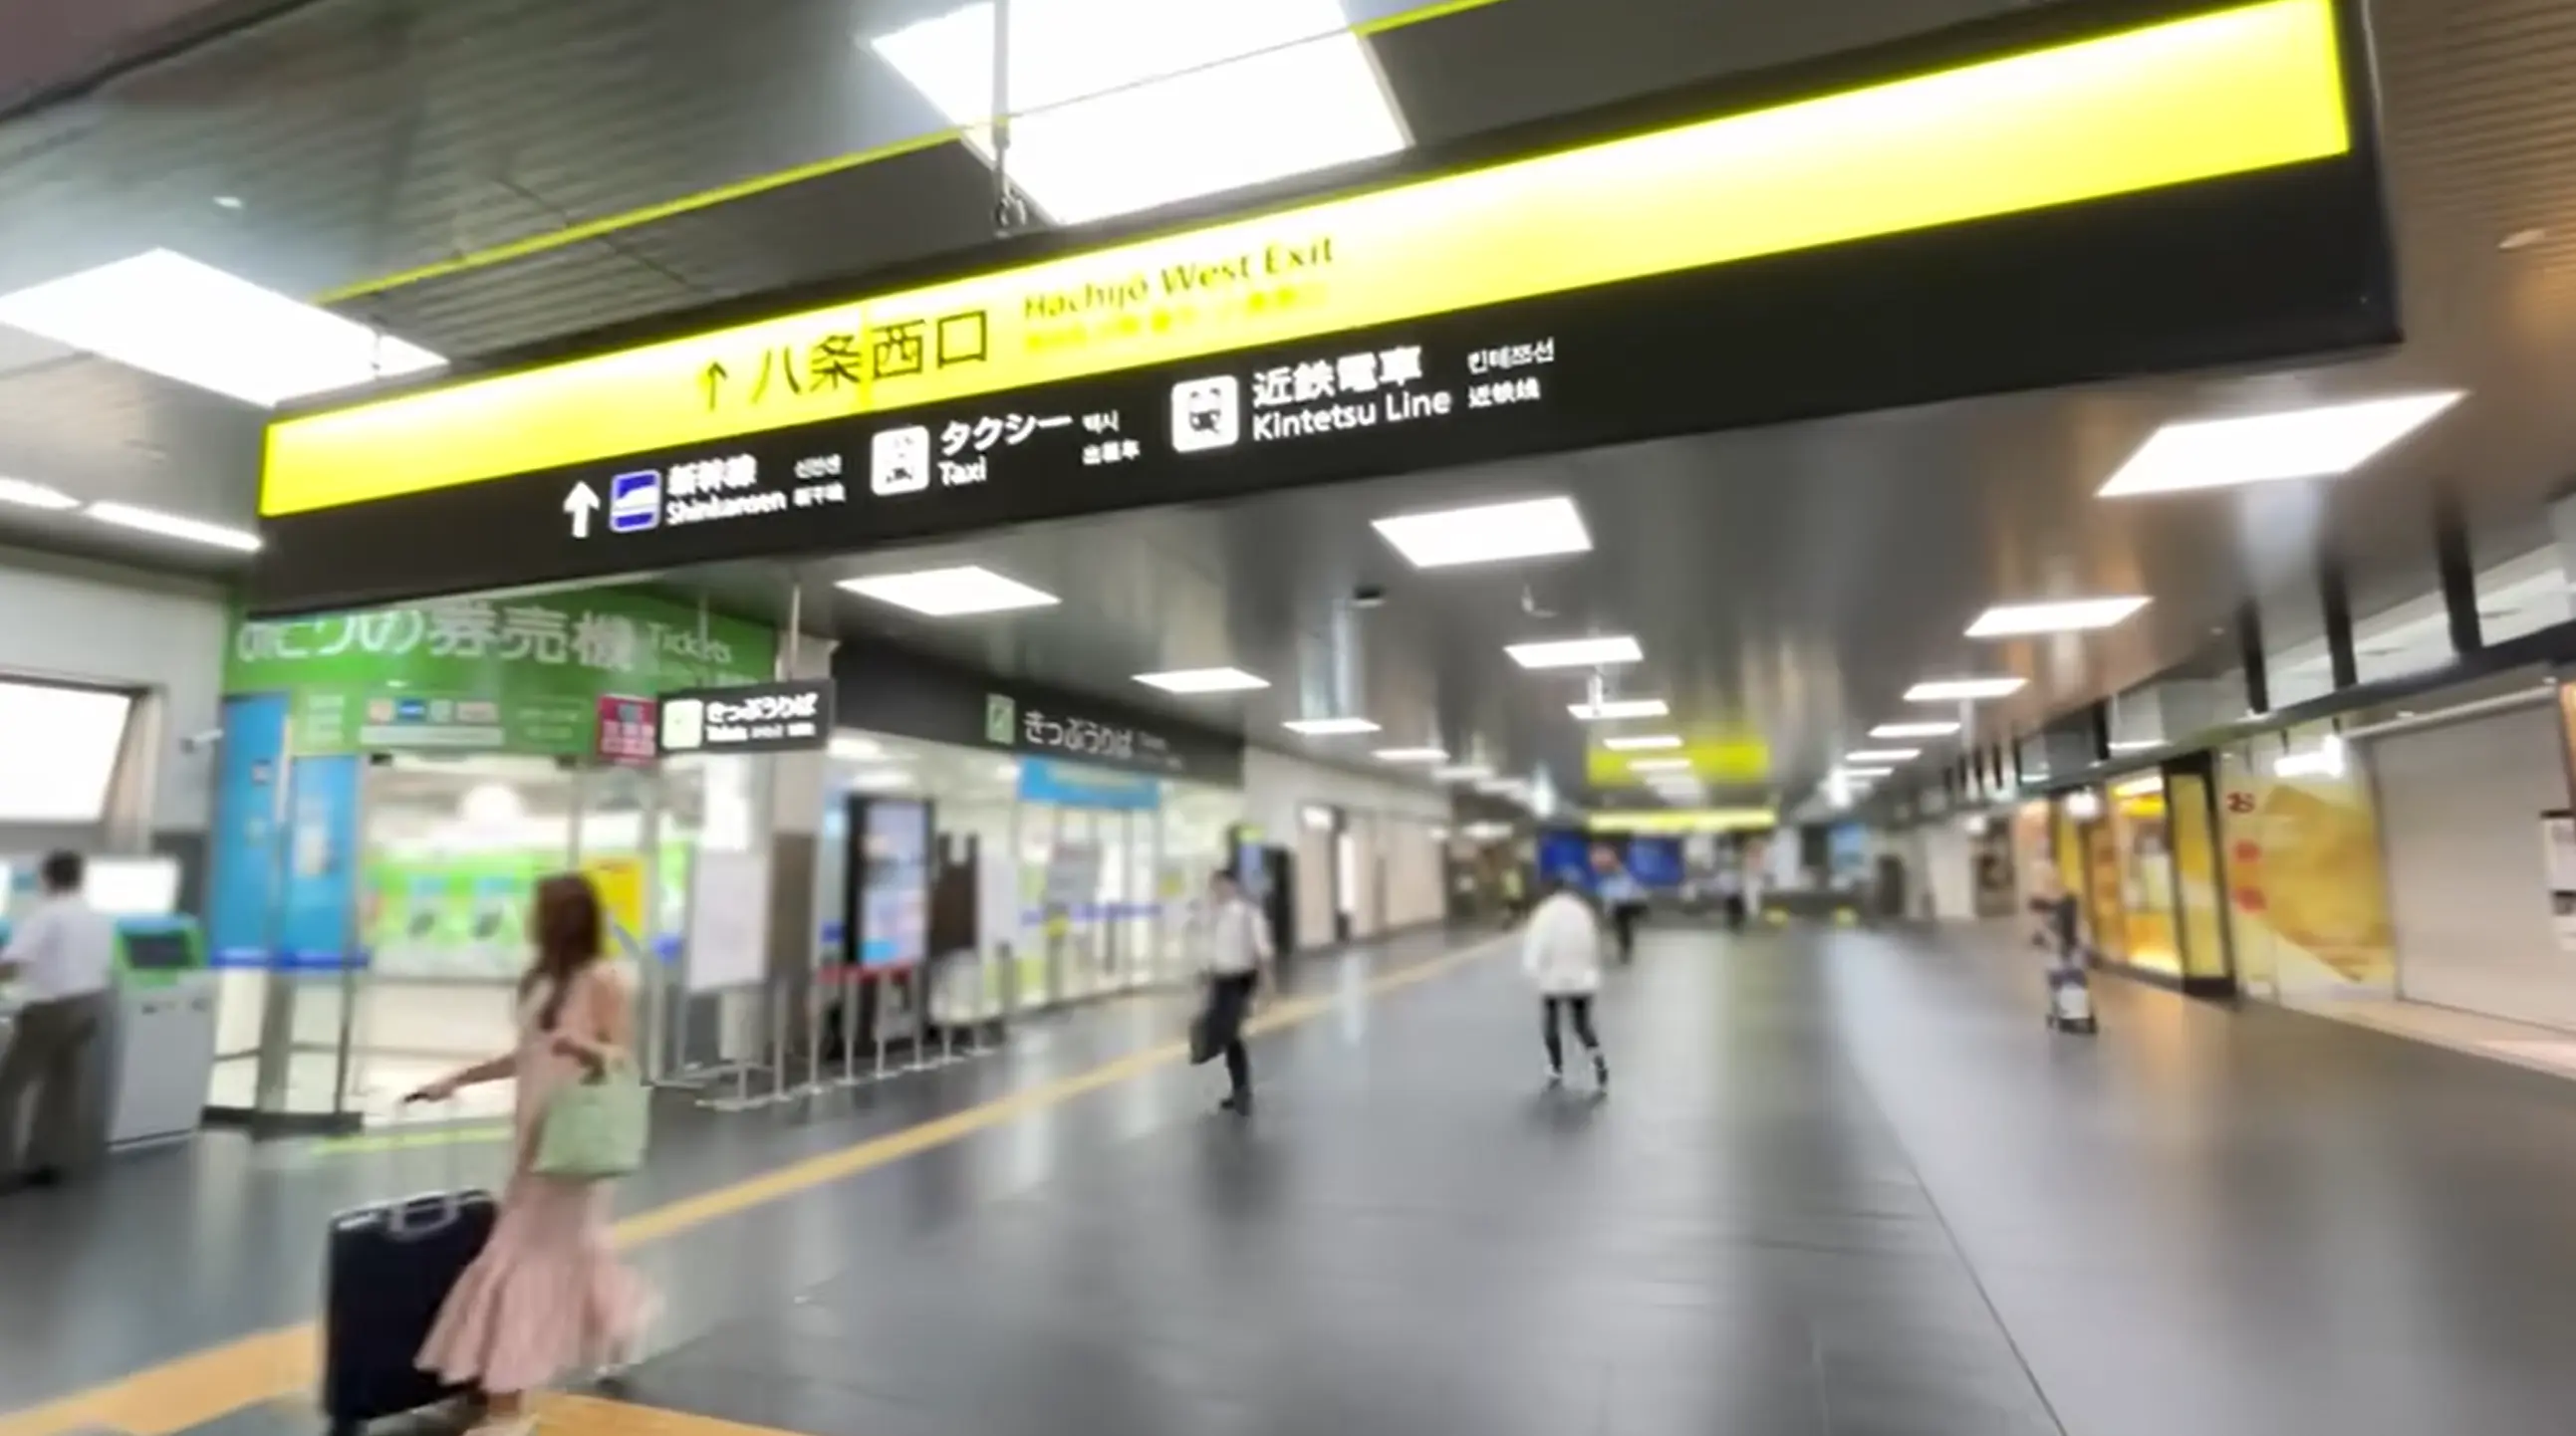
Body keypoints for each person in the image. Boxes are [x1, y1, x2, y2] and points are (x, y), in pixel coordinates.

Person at [409, 874, 650, 1436]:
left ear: (562, 919)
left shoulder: (603, 979)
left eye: (538, 909)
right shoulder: (541, 981)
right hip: (534, 1139)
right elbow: (526, 1054)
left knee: (514, 1258)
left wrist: (585, 1048)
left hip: (572, 1142)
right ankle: (621, 1319)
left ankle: (508, 1407)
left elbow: (620, 1057)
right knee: (574, 1247)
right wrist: (458, 1080)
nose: (528, 918)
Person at [0, 850, 117, 1193]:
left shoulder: (46, 915)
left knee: (8, 1088)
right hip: (91, 1005)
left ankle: (3, 1168)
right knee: (63, 1086)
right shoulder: (98, 917)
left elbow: (13, 964)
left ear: (46, 878)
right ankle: (49, 1162)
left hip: (52, 1009)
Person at [1197, 868, 1273, 1115]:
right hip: (1220, 977)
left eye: (1220, 886)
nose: (1216, 891)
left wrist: (1267, 984)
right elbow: (1209, 949)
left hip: (1241, 978)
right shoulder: (1213, 915)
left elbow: (1261, 950)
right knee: (1223, 1034)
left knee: (1231, 1033)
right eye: (1213, 887)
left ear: (1232, 886)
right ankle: (1238, 1086)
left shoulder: (1247, 913)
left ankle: (1241, 1089)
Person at [1522, 880, 1610, 1091]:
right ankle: (1598, 1062)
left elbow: (1537, 942)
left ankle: (1556, 1068)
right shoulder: (1582, 912)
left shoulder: (1545, 913)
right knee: (1582, 1025)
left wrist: (1531, 969)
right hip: (1581, 978)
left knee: (1551, 1023)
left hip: (1553, 978)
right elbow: (1592, 943)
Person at [1597, 857, 1645, 963]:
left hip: (1624, 907)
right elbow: (1608, 894)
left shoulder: (1623, 878)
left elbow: (1630, 891)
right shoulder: (1614, 879)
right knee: (1623, 930)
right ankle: (1625, 950)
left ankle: (1625, 950)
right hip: (1620, 907)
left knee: (1624, 930)